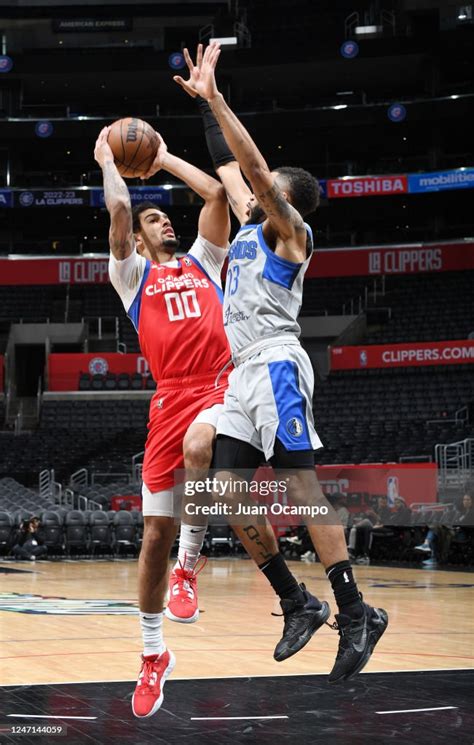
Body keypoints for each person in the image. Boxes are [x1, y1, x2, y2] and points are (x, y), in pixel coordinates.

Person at [95, 129, 330, 718]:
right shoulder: (130, 275)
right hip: (168, 398)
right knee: (151, 538)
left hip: (222, 383)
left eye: (164, 218)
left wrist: (163, 157)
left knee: (205, 447)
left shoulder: (206, 260)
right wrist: (109, 159)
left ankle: (191, 563)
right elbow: (120, 208)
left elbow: (216, 198)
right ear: (138, 237)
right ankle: (153, 655)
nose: (162, 223)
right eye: (154, 220)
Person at [181, 41, 388, 683]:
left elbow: (254, 170)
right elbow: (227, 158)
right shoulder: (248, 226)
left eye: (264, 190)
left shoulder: (292, 234)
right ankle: (298, 601)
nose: (249, 191)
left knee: (301, 488)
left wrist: (220, 99)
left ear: (284, 202)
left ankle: (356, 613)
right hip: (241, 373)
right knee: (228, 492)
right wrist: (204, 95)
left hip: (275, 364)